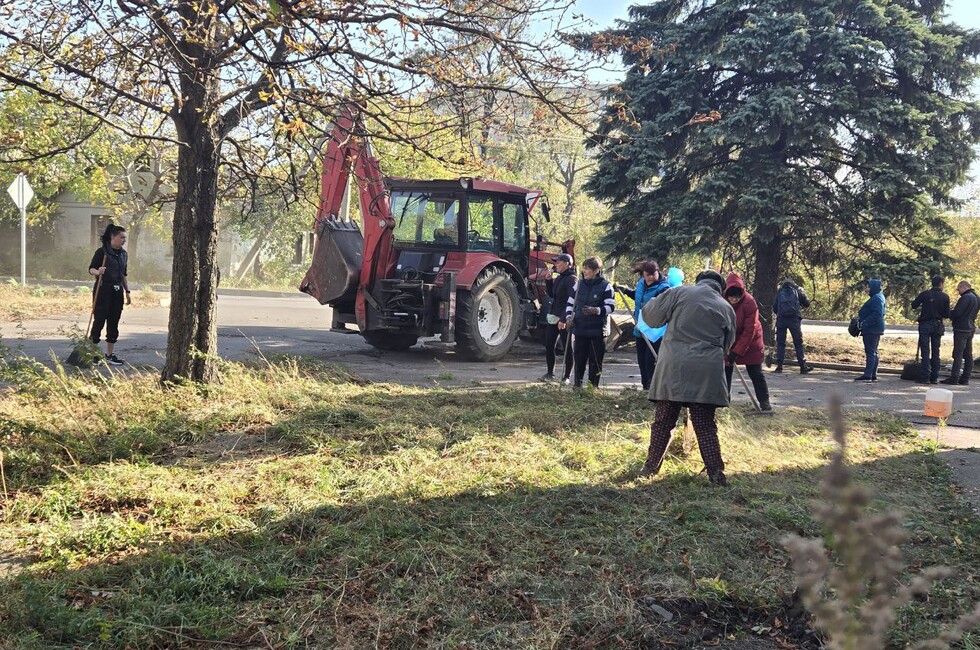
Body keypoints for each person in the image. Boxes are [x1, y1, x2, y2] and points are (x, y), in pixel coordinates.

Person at [640, 270, 736, 486]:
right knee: (704, 425)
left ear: (699, 281)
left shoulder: (678, 293)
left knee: (663, 421)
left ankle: (649, 468)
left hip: (673, 367)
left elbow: (650, 316)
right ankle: (716, 475)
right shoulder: (726, 307)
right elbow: (728, 345)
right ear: (720, 288)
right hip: (707, 371)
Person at [615, 260, 670, 390]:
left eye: (653, 274)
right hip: (640, 329)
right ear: (643, 274)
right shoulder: (641, 283)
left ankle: (653, 388)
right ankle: (645, 387)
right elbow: (638, 297)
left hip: (655, 331)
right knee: (641, 361)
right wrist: (626, 291)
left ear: (658, 272)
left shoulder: (664, 288)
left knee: (650, 360)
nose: (650, 277)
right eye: (647, 274)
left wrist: (650, 307)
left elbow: (662, 308)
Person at [563, 256, 615, 388]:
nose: (584, 271)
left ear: (596, 270)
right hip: (580, 328)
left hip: (598, 331)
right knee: (579, 360)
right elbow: (570, 303)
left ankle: (593, 388)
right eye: (584, 268)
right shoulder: (578, 284)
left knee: (595, 362)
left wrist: (596, 310)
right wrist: (569, 317)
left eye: (587, 269)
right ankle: (577, 387)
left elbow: (611, 307)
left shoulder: (606, 286)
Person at [723, 273, 772, 412]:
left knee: (755, 372)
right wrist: (727, 348)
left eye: (737, 296)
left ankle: (764, 402)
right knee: (725, 372)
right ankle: (724, 402)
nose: (734, 299)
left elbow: (750, 330)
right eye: (731, 296)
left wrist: (737, 351)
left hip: (751, 343)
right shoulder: (722, 300)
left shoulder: (749, 302)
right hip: (730, 341)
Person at [88, 223, 131, 366]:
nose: (124, 240)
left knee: (114, 321)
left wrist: (127, 291)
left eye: (125, 238)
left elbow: (123, 274)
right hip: (103, 289)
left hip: (117, 291)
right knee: (99, 320)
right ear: (113, 237)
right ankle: (93, 354)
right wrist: (98, 271)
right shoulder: (102, 252)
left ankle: (109, 355)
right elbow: (91, 269)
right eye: (121, 237)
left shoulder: (124, 254)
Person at [540, 253, 576, 382]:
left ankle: (566, 377)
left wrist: (563, 318)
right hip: (553, 315)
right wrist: (549, 281)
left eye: (558, 262)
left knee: (567, 348)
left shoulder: (572, 279)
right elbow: (552, 295)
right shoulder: (560, 278)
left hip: (564, 317)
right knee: (549, 345)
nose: (555, 264)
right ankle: (550, 373)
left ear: (567, 264)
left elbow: (570, 301)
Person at [911, 275, 951, 384]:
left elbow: (914, 305)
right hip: (937, 325)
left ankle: (925, 376)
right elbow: (947, 314)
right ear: (941, 284)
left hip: (925, 324)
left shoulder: (925, 294)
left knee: (925, 350)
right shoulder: (945, 297)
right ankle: (934, 376)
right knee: (936, 351)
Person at [772, 278, 812, 374]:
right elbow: (807, 303)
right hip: (794, 320)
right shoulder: (797, 290)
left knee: (781, 343)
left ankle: (779, 366)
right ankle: (802, 366)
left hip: (781, 320)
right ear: (793, 284)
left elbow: (774, 308)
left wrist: (781, 313)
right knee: (798, 343)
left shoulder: (780, 292)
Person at [941, 280, 978, 385]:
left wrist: (948, 314)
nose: (958, 292)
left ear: (963, 287)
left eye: (958, 289)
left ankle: (954, 378)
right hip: (970, 328)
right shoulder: (975, 297)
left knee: (958, 354)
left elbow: (958, 312)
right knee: (968, 354)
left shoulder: (965, 298)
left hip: (961, 328)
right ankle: (965, 378)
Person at [855, 278, 886, 382]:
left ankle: (868, 375)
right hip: (874, 328)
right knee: (874, 351)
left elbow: (877, 313)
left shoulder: (877, 298)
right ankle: (872, 374)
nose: (867, 289)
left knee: (870, 351)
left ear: (874, 287)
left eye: (868, 287)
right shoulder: (878, 297)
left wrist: (865, 323)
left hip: (872, 329)